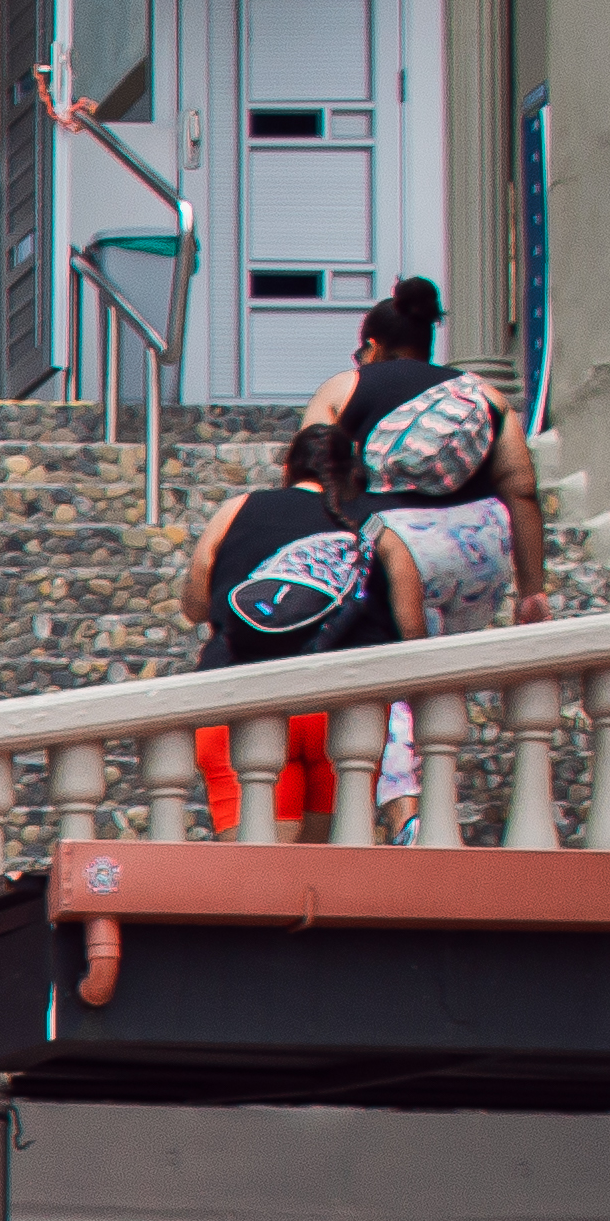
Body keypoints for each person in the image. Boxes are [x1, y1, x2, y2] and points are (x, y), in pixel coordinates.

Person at [173, 417, 428, 834]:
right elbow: (413, 637)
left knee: (259, 876)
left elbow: (196, 606)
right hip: (343, 712)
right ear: (353, 476)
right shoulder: (381, 533)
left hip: (241, 701)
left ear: (287, 469)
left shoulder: (237, 509)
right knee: (320, 875)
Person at [308, 271, 544, 636]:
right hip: (473, 567)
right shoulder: (484, 395)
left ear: (372, 347)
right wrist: (533, 592)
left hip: (387, 562)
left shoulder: (345, 388)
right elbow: (522, 490)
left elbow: (308, 478)